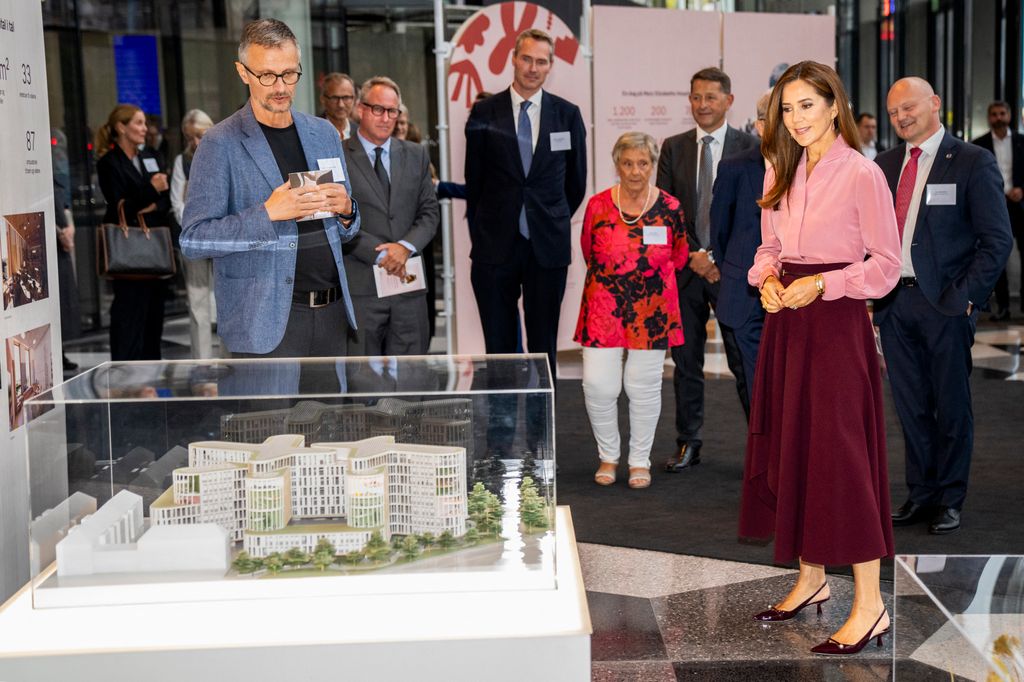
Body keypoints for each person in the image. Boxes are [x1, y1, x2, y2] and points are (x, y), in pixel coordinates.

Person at [741, 61, 901, 655]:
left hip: (834, 327)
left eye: (807, 105)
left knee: (842, 459)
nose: (796, 118)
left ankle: (871, 603)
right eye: (787, 108)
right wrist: (764, 278)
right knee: (795, 448)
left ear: (834, 106)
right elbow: (769, 246)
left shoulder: (862, 174)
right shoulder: (780, 167)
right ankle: (811, 579)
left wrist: (824, 285)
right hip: (787, 325)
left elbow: (886, 267)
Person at [876, 78, 1012, 535]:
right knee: (910, 406)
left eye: (909, 107)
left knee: (950, 406)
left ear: (935, 103)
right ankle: (922, 493)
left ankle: (950, 497)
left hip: (945, 305)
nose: (901, 118)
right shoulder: (886, 164)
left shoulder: (973, 161)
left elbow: (997, 240)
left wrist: (968, 297)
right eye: (894, 112)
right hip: (894, 304)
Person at [180, 18, 360, 362]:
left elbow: (348, 229)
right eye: (267, 75)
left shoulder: (323, 133)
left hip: (332, 318)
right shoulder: (220, 143)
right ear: (243, 72)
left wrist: (348, 211)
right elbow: (194, 240)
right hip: (263, 325)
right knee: (267, 418)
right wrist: (267, 214)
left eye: (290, 73)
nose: (280, 86)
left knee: (332, 417)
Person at [464, 27, 587, 381]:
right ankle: (501, 433)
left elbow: (575, 183)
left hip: (546, 248)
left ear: (550, 66)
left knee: (543, 345)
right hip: (494, 249)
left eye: (542, 61)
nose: (533, 68)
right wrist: (488, 228)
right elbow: (476, 181)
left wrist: (547, 216)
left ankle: (540, 431)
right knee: (499, 349)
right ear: (514, 59)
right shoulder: (485, 112)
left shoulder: (567, 115)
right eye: (527, 59)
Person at [656, 67, 758, 472]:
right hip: (686, 271)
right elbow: (666, 212)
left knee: (744, 361)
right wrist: (696, 256)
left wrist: (717, 257)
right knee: (685, 363)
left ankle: (761, 442)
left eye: (711, 97)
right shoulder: (673, 147)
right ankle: (688, 442)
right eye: (696, 97)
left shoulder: (750, 147)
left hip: (733, 273)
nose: (702, 105)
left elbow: (753, 216)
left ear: (729, 101)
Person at [577, 132, 687, 490]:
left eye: (643, 163)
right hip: (603, 306)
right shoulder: (597, 205)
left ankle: (639, 460)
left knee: (642, 387)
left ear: (653, 165)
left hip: (651, 311)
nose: (635, 171)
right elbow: (588, 252)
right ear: (616, 164)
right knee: (598, 385)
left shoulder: (670, 207)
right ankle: (608, 455)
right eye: (627, 163)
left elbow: (679, 255)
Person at [342, 76, 438, 356]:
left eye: (392, 111)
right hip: (362, 284)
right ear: (360, 109)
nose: (386, 118)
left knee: (411, 377)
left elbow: (429, 212)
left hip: (408, 284)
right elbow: (334, 218)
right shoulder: (337, 155)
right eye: (378, 109)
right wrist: (381, 254)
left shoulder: (415, 154)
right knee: (362, 378)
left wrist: (404, 247)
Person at [95, 103, 171, 361]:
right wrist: (149, 192)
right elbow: (120, 208)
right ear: (121, 127)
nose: (145, 129)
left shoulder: (152, 156)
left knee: (154, 320)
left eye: (144, 123)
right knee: (128, 318)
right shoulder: (109, 163)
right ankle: (124, 379)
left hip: (153, 252)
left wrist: (146, 199)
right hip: (127, 254)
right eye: (138, 123)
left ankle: (151, 379)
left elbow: (164, 201)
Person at [710, 93, 770, 402]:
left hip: (797, 298)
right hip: (746, 297)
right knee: (755, 386)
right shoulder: (734, 167)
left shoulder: (811, 166)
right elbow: (719, 232)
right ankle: (762, 450)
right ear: (761, 125)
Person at [170, 109, 218, 359]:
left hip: (224, 237)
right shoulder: (183, 161)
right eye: (190, 138)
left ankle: (233, 360)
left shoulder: (225, 153)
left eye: (200, 135)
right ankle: (202, 362)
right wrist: (193, 226)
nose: (196, 142)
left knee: (227, 298)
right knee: (197, 300)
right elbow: (177, 202)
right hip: (194, 238)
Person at [971, 100, 1024, 321]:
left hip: (1021, 205)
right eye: (994, 114)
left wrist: (1021, 189)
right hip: (993, 206)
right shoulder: (979, 145)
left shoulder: (1022, 141)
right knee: (997, 255)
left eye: (1002, 113)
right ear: (989, 118)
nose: (998, 117)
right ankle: (1002, 306)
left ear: (1009, 115)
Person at [320, 72, 358, 141]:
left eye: (346, 97)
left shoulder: (360, 133)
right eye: (334, 98)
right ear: (323, 99)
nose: (341, 105)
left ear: (354, 99)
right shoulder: (313, 132)